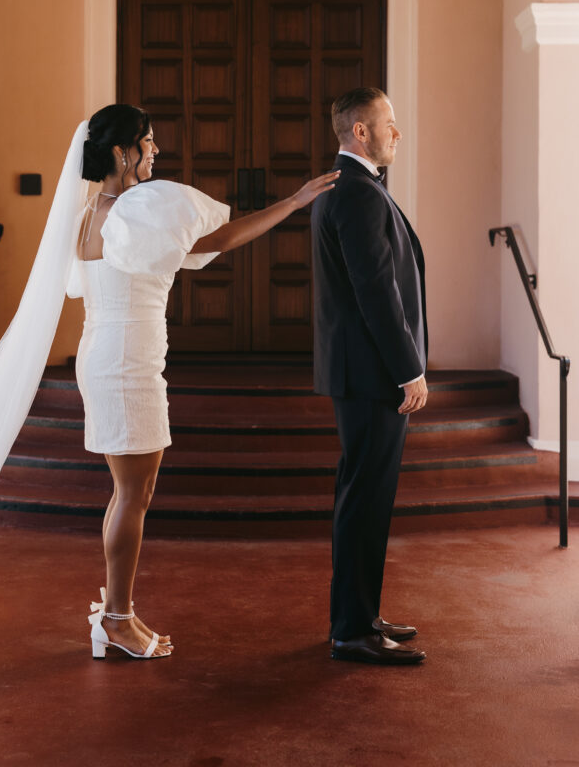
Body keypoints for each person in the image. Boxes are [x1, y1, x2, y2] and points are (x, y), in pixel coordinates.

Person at [72, 104, 340, 660]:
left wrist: (292, 202)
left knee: (130, 491)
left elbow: (202, 245)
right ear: (123, 153)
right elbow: (218, 239)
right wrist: (293, 202)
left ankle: (115, 611)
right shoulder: (138, 208)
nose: (156, 152)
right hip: (125, 362)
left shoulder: (92, 211)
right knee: (133, 493)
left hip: (109, 354)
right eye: (148, 142)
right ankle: (116, 620)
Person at [311, 87, 428, 665]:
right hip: (372, 374)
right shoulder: (356, 193)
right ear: (360, 131)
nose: (396, 133)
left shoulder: (353, 187)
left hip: (362, 371)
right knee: (365, 499)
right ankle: (353, 630)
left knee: (364, 498)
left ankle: (359, 614)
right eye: (389, 124)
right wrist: (409, 370)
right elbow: (375, 294)